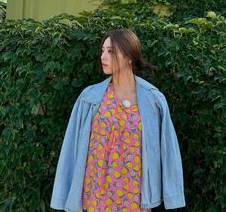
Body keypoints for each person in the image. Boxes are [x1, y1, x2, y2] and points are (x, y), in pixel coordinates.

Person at [50, 29, 186, 212]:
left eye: (111, 51)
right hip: (94, 196)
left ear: (129, 56)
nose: (103, 57)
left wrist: (173, 195)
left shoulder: (153, 100)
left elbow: (168, 151)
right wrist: (62, 194)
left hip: (135, 199)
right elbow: (71, 148)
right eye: (103, 51)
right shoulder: (89, 98)